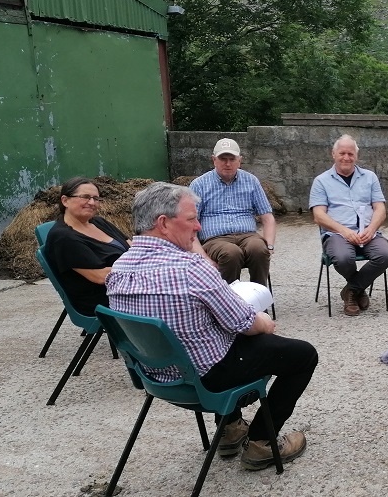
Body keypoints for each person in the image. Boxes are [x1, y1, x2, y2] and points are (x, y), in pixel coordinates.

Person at [105, 182, 318, 471]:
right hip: (206, 381)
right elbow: (245, 324)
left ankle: (230, 430)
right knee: (302, 355)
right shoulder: (192, 269)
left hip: (156, 377)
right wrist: (265, 322)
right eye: (192, 219)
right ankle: (261, 443)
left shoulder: (120, 269)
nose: (198, 227)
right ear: (163, 223)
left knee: (213, 337)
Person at [309, 134, 388, 316]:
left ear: (356, 155)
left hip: (368, 233)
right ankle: (358, 289)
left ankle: (351, 290)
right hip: (337, 234)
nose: (346, 157)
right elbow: (318, 215)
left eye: (350, 153)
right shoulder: (321, 181)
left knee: (385, 255)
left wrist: (371, 229)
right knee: (342, 257)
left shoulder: (370, 177)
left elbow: (380, 209)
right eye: (342, 153)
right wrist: (344, 231)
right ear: (333, 154)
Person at [190, 138, 276, 284]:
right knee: (231, 253)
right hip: (215, 239)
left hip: (247, 235)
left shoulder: (251, 181)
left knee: (259, 249)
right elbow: (189, 224)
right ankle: (228, 302)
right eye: (223, 159)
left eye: (232, 159)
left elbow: (267, 217)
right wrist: (203, 257)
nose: (228, 163)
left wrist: (270, 245)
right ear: (214, 160)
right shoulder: (199, 185)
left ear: (239, 160)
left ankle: (258, 299)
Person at [43, 177, 131, 316]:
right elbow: (100, 276)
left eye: (96, 198)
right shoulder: (64, 238)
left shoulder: (99, 222)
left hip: (127, 286)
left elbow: (131, 245)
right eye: (85, 197)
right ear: (65, 200)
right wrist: (141, 267)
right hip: (104, 300)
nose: (92, 202)